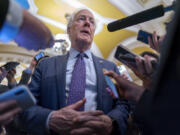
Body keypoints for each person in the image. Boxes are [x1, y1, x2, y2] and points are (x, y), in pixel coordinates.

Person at [18, 9, 130, 135]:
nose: (87, 23)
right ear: (69, 30)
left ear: (93, 32)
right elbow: (25, 106)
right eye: (81, 19)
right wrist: (50, 118)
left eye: (92, 22)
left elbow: (122, 104)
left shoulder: (110, 67)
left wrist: (112, 121)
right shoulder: (45, 65)